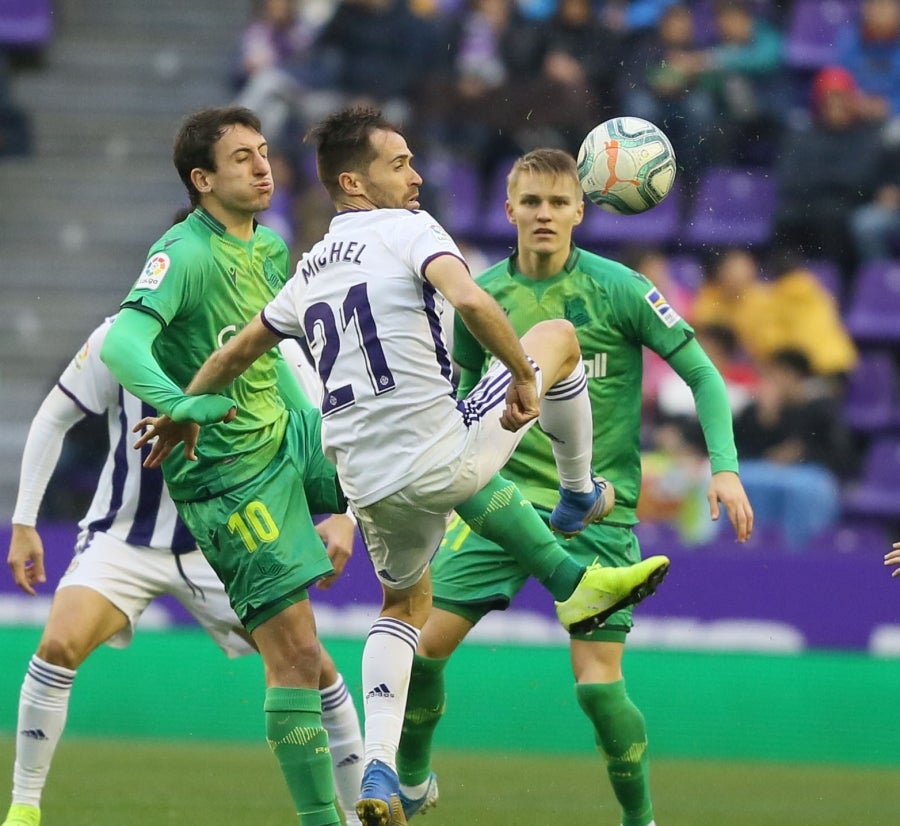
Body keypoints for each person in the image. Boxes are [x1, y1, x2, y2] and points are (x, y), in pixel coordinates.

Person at [134, 106, 671, 826]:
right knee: (558, 336)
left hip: (368, 484)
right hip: (440, 453)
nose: (417, 177)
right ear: (354, 183)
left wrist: (179, 409)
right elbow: (473, 299)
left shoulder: (308, 267)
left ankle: (383, 772)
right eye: (399, 165)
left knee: (403, 611)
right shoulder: (414, 230)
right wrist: (521, 374)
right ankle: (578, 500)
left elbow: (236, 353)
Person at [394, 148, 754, 825]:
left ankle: (638, 820)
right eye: (530, 202)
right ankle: (413, 782)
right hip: (502, 510)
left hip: (599, 516)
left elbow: (704, 375)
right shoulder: (481, 295)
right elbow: (461, 396)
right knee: (419, 654)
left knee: (597, 689)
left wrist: (725, 466)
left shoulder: (620, 289)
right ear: (509, 210)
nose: (544, 214)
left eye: (558, 202)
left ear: (581, 210)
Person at [96, 106, 358, 826]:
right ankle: (322, 819)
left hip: (292, 433)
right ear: (203, 179)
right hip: (228, 477)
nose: (263, 165)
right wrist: (178, 404)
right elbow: (122, 347)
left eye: (265, 152)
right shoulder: (180, 254)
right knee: (298, 655)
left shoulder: (273, 249)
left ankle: (404, 756)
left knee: (413, 473)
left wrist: (339, 503)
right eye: (242, 157)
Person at [1, 316, 366, 826]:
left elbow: (331, 425)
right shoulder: (121, 335)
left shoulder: (260, 338)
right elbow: (53, 416)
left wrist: (344, 517)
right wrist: (24, 522)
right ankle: (23, 807)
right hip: (126, 537)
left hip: (227, 541)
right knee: (58, 644)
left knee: (311, 666)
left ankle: (358, 815)